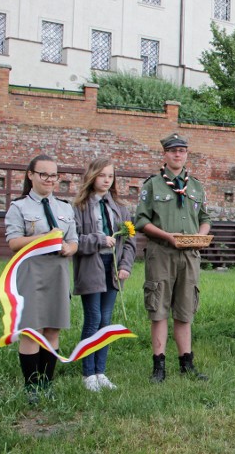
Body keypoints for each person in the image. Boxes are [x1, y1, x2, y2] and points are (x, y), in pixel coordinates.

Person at [134, 133, 211, 382]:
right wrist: (167, 236)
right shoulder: (153, 185)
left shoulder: (196, 186)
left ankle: (186, 363)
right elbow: (141, 221)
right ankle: (159, 365)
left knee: (185, 309)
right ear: (165, 154)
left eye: (182, 150)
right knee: (158, 309)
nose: (178, 154)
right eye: (173, 150)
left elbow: (205, 218)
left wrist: (200, 236)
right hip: (161, 253)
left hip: (189, 254)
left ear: (187, 154)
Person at [4, 154, 78, 403]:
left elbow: (74, 240)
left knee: (53, 327)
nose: (49, 179)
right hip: (31, 273)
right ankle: (31, 385)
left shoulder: (65, 207)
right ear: (31, 175)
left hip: (58, 272)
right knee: (32, 330)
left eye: (53, 175)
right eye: (43, 174)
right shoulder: (19, 207)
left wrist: (69, 248)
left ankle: (47, 383)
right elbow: (13, 242)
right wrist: (43, 238)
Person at [72, 158, 137, 391]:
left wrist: (125, 266)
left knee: (106, 320)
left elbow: (129, 241)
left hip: (113, 268)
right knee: (93, 318)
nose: (107, 180)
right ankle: (88, 373)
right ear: (92, 177)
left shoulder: (119, 208)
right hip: (91, 266)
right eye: (102, 175)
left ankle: (101, 372)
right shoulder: (79, 207)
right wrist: (98, 239)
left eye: (110, 176)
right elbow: (73, 240)